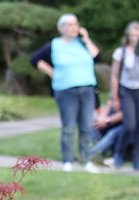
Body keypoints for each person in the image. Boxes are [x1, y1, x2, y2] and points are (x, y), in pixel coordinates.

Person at [31, 14, 100, 173]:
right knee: (69, 126)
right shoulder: (54, 45)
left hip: (87, 89)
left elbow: (97, 57)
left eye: (75, 24)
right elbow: (35, 59)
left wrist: (87, 39)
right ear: (61, 28)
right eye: (69, 25)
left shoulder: (82, 44)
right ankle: (67, 160)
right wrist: (52, 72)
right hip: (65, 90)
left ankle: (86, 160)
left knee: (86, 126)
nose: (73, 27)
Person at [110, 22, 139, 171]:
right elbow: (114, 75)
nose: (134, 38)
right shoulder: (121, 52)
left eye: (137, 35)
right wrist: (114, 96)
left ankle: (138, 158)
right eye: (132, 35)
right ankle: (119, 153)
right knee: (129, 125)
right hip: (126, 90)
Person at [88, 98, 124, 165]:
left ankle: (91, 155)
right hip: (110, 121)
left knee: (113, 133)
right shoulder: (116, 91)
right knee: (94, 123)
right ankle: (89, 150)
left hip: (124, 125)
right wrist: (101, 118)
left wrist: (107, 121)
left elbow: (126, 114)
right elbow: (110, 101)